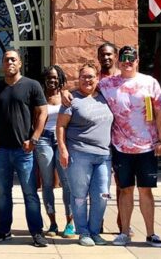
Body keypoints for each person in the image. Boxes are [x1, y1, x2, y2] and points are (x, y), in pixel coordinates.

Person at [99, 45, 161, 247]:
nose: (128, 62)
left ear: (137, 61)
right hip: (120, 147)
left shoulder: (149, 82)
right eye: (124, 58)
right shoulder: (107, 83)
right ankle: (124, 232)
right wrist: (68, 94)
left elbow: (160, 113)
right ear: (119, 61)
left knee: (146, 190)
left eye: (132, 58)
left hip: (147, 146)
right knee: (125, 189)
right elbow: (86, 89)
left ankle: (151, 233)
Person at [0, 50, 48, 248]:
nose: (10, 62)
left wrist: (34, 138)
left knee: (30, 193)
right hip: (2, 150)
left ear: (19, 63)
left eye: (13, 59)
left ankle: (37, 232)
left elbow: (42, 112)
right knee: (3, 193)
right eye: (6, 60)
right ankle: (3, 230)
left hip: (25, 150)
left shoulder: (32, 85)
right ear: (2, 64)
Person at [57, 62, 114, 247]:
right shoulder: (71, 99)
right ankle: (83, 232)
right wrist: (63, 150)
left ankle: (95, 232)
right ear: (78, 79)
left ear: (97, 78)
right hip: (79, 154)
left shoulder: (105, 96)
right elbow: (61, 126)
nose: (87, 80)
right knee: (80, 195)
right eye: (84, 77)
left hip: (104, 155)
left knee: (102, 195)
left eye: (91, 76)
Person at [35, 65, 75, 238]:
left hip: (61, 140)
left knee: (66, 182)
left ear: (60, 78)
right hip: (43, 139)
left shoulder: (66, 96)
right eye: (49, 77)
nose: (52, 80)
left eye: (55, 77)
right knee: (47, 183)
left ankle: (70, 223)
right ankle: (52, 223)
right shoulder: (39, 96)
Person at [96, 41, 125, 235]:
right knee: (100, 185)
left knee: (123, 185)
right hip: (100, 140)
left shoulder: (125, 80)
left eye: (109, 54)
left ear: (116, 56)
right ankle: (97, 222)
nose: (106, 58)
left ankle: (123, 223)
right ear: (98, 58)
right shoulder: (94, 81)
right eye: (102, 55)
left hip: (123, 139)